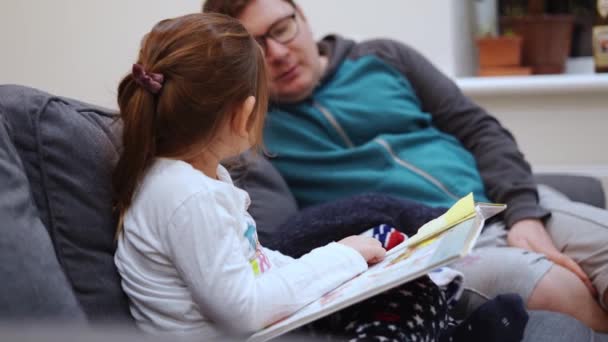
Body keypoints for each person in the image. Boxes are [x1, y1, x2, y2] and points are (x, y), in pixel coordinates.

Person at [112, 12, 525, 342]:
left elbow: (255, 263)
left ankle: (437, 321)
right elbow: (242, 309)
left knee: (385, 248)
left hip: (266, 321)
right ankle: (447, 330)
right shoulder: (186, 196)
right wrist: (341, 258)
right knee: (403, 298)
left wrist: (340, 263)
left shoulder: (202, 178)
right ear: (244, 112)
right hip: (253, 328)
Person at [202, 0, 608, 331]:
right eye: (255, 47)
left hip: (504, 206)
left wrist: (524, 214)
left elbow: (480, 129)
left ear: (302, 18)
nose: (276, 52)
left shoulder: (384, 56)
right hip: (428, 252)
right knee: (559, 290)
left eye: (281, 29)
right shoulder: (251, 132)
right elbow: (278, 238)